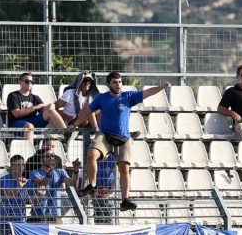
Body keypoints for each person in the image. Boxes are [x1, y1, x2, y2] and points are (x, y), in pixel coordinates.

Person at [73, 72, 171, 211]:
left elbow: (147, 93)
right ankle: (92, 185)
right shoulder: (101, 98)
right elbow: (87, 111)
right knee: (91, 154)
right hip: (105, 136)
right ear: (108, 84)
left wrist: (162, 87)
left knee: (124, 169)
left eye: (120, 82)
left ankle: (125, 200)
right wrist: (74, 124)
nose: (118, 85)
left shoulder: (128, 96)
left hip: (123, 137)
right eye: (114, 82)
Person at [6, 72, 67, 141]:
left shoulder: (35, 97)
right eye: (27, 81)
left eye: (32, 82)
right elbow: (16, 114)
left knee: (50, 111)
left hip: (33, 122)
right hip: (16, 124)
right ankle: (29, 148)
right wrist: (35, 107)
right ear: (20, 82)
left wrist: (52, 105)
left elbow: (43, 109)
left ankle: (66, 134)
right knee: (29, 126)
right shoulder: (13, 95)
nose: (30, 83)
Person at [29, 151, 80, 222]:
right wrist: (51, 170)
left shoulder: (60, 172)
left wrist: (76, 170)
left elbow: (74, 184)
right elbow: (42, 185)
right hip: (39, 215)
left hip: (55, 215)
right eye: (47, 156)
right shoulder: (35, 173)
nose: (51, 158)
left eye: (52, 156)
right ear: (41, 160)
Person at [0, 155, 30, 235]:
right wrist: (19, 187)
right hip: (5, 220)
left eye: (22, 165)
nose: (21, 167)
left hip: (20, 221)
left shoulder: (27, 182)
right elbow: (8, 194)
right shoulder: (3, 179)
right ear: (11, 166)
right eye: (18, 165)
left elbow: (32, 199)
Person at [93, 153, 117, 225]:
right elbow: (91, 175)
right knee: (98, 220)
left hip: (108, 192)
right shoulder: (95, 157)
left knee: (108, 219)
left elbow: (115, 177)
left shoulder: (112, 158)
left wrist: (112, 192)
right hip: (97, 192)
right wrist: (94, 191)